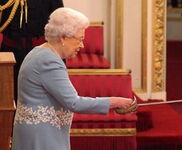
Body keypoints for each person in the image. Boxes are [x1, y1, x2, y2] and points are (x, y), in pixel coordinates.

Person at [11, 8, 133, 150]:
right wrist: (113, 102)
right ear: (63, 37)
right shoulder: (49, 61)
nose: (81, 45)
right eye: (79, 39)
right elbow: (74, 103)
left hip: (38, 133)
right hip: (42, 137)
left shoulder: (40, 52)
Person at [0, 0, 64, 100]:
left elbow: (59, 23)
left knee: (43, 95)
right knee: (9, 96)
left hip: (42, 53)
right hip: (11, 55)